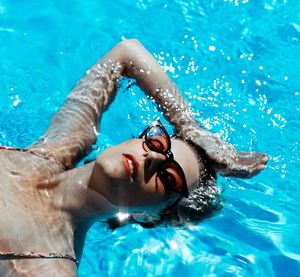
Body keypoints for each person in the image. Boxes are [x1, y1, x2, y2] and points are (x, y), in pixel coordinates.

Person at [0, 39, 267, 276]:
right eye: (157, 143)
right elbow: (127, 53)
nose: (153, 158)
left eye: (168, 176)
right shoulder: (62, 146)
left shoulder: (42, 265)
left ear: (150, 216)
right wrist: (189, 126)